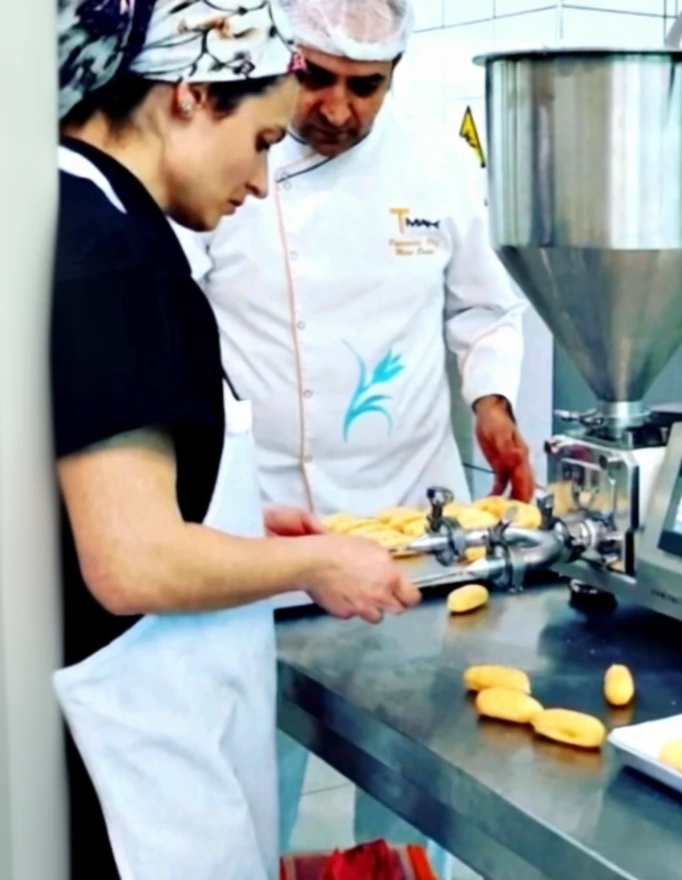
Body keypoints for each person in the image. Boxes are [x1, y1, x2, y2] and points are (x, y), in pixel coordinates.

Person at [52, 1, 420, 877]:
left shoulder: (72, 208)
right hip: (127, 752)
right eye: (259, 141)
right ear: (190, 95)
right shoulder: (107, 250)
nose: (259, 182)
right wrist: (316, 563)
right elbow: (131, 563)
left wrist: (240, 525)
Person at [174, 0, 535, 872]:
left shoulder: (440, 165)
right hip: (266, 522)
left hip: (410, 519)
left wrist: (492, 402)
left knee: (420, 764)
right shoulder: (232, 163)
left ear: (394, 75)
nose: (338, 108)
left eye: (365, 87)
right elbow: (176, 316)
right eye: (317, 78)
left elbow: (485, 309)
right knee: (258, 773)